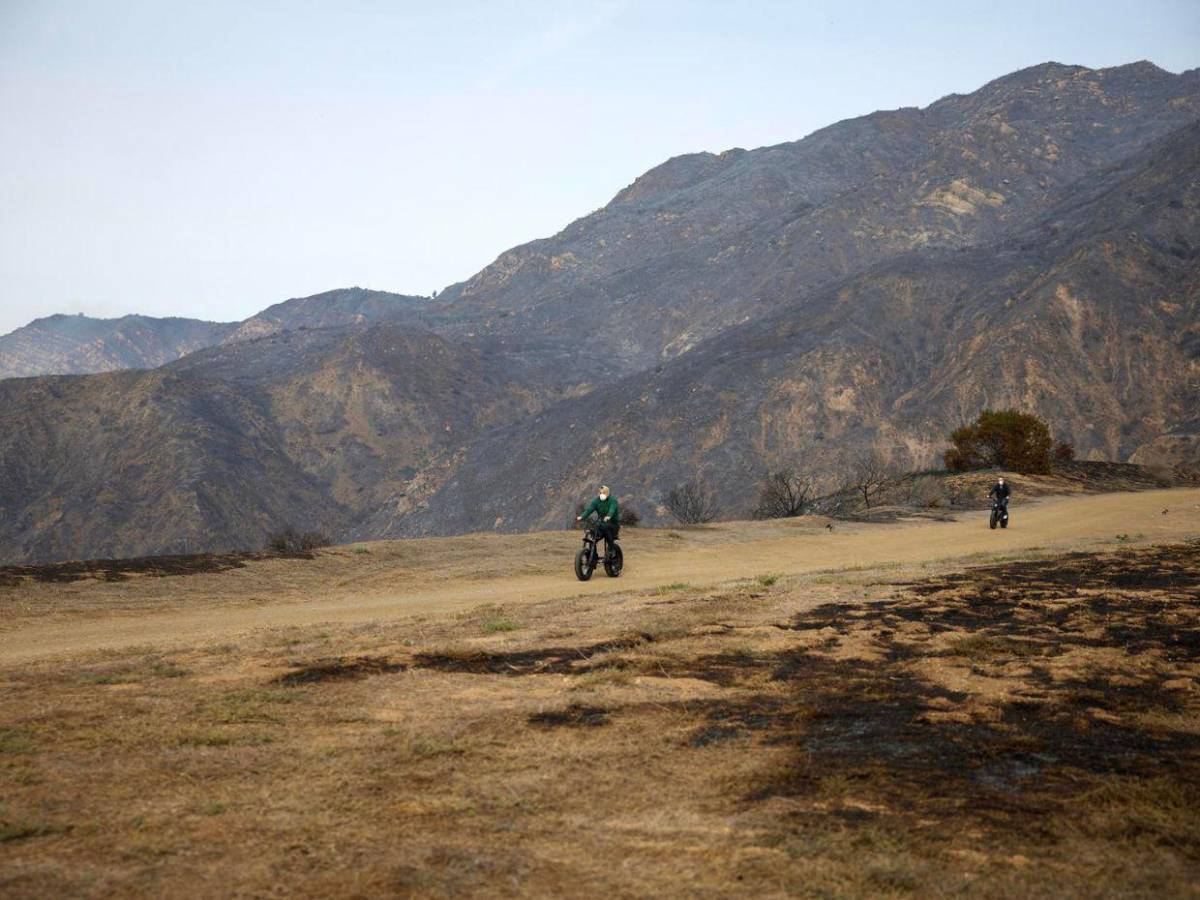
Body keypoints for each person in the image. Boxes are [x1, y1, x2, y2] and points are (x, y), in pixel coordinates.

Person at [577, 485, 620, 558]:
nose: (601, 494)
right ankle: (592, 555)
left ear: (607, 493)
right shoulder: (596, 501)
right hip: (602, 523)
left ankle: (611, 549)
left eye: (603, 493)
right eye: (600, 493)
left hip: (613, 524)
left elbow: (612, 509)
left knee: (607, 530)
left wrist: (609, 516)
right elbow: (589, 510)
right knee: (593, 535)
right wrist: (581, 517)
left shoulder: (613, 500)